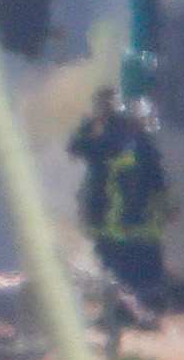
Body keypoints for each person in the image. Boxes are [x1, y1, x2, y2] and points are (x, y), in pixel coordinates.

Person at [69, 89, 169, 326]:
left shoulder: (134, 142)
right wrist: (90, 124)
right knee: (123, 271)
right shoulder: (113, 137)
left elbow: (157, 181)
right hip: (115, 221)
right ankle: (133, 312)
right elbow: (77, 147)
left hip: (129, 222)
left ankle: (138, 311)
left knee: (131, 271)